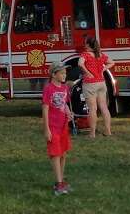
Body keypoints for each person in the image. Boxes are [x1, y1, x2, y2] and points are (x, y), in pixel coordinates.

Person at [43, 61, 72, 196]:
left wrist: (68, 112)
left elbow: (65, 104)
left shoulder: (65, 88)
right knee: (55, 154)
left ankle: (60, 180)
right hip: (53, 127)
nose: (64, 75)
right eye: (62, 73)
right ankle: (59, 183)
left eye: (65, 73)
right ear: (54, 74)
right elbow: (45, 109)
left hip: (63, 126)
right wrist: (46, 129)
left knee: (63, 153)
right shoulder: (49, 88)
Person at [80, 36, 115, 137]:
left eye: (85, 42)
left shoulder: (85, 55)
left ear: (88, 44)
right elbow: (112, 62)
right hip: (101, 83)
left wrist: (87, 72)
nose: (84, 44)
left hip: (90, 83)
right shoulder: (100, 54)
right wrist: (103, 69)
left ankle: (92, 133)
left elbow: (80, 64)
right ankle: (108, 131)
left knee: (92, 109)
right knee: (104, 107)